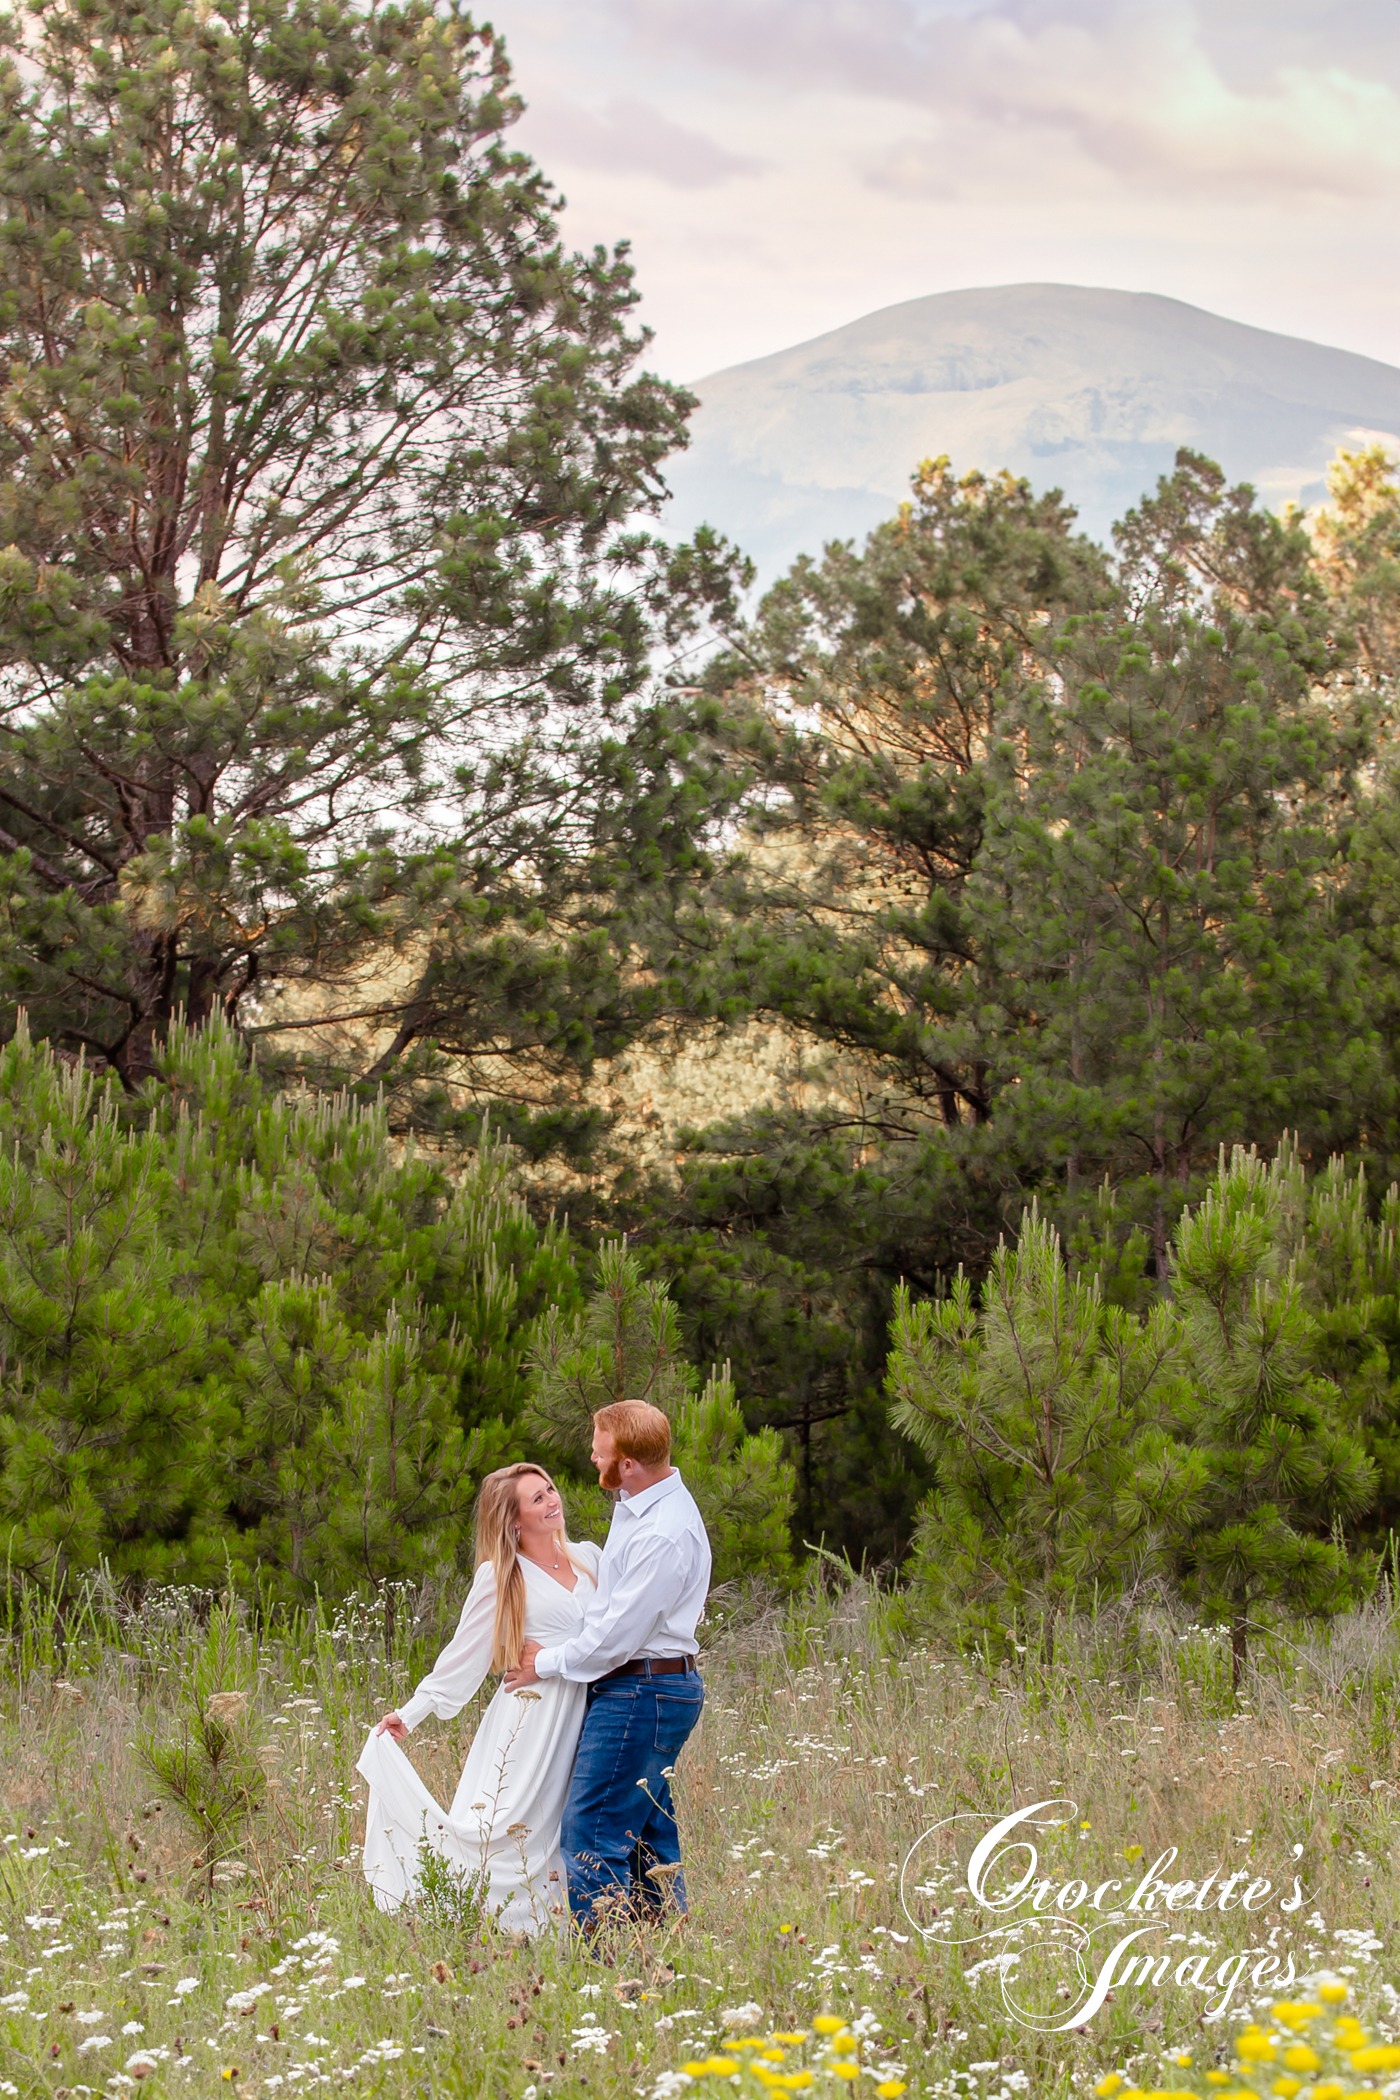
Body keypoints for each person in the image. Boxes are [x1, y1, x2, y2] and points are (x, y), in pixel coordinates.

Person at [356, 1462, 601, 1936]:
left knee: (577, 1822)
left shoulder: (590, 1557)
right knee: (512, 1831)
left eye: (550, 1489)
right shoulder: (501, 1576)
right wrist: (411, 1713)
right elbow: (461, 1657)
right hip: (532, 1719)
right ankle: (498, 1931)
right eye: (537, 1498)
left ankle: (573, 1930)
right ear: (513, 1520)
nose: (553, 1501)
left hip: (591, 1709)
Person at [504, 1400, 711, 1928]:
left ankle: (613, 1967)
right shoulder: (637, 1501)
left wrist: (543, 1662)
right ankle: (665, 1950)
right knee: (645, 1834)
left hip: (643, 1691)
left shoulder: (662, 1533)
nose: (591, 1457)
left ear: (628, 1464)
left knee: (592, 1833)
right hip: (647, 1688)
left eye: (600, 1452)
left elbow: (617, 1638)